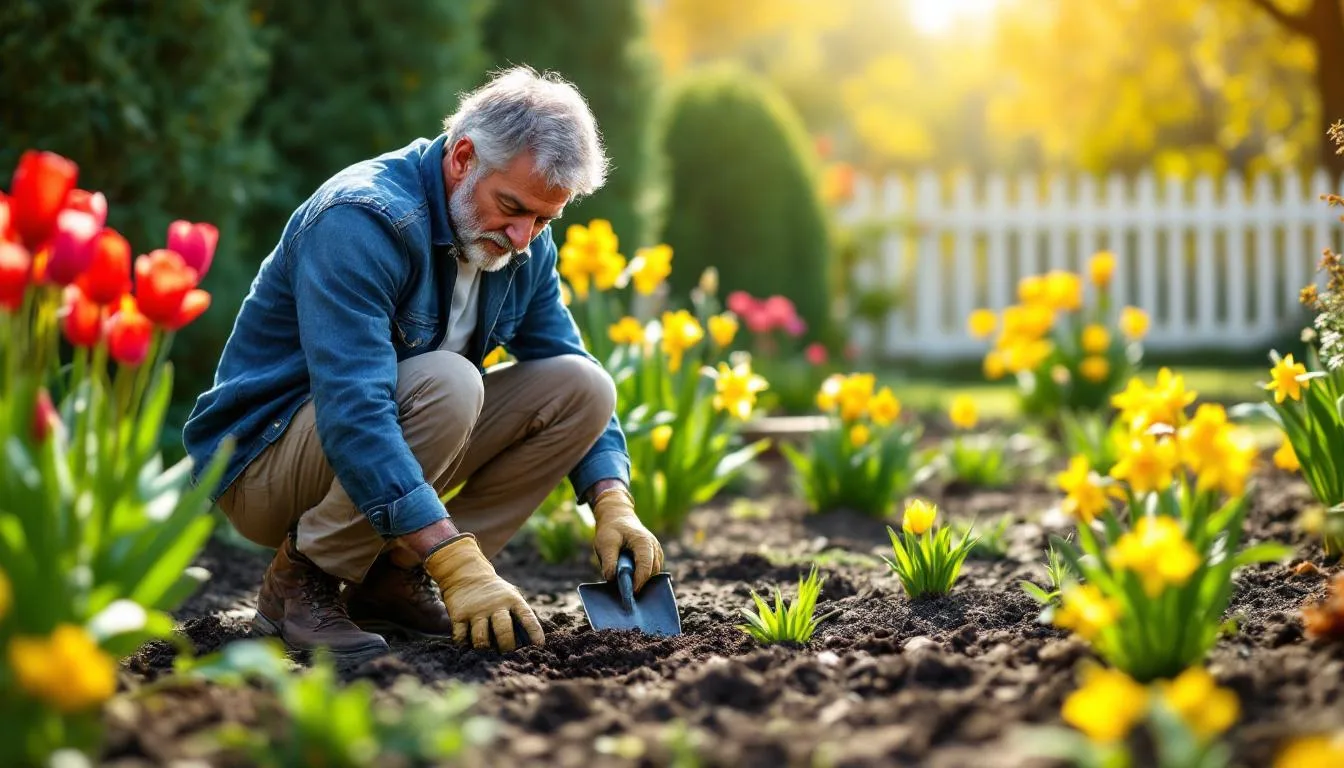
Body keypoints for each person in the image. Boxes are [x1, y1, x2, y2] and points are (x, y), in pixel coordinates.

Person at [182, 67, 665, 661]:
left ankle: (392, 581)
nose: (522, 237)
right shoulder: (362, 220)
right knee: (451, 382)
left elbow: (563, 359)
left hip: (378, 452)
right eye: (511, 207)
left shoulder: (523, 243)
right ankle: (302, 582)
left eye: (543, 219)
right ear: (463, 157)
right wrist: (457, 561)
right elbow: (355, 411)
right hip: (267, 464)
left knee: (583, 386)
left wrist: (612, 500)